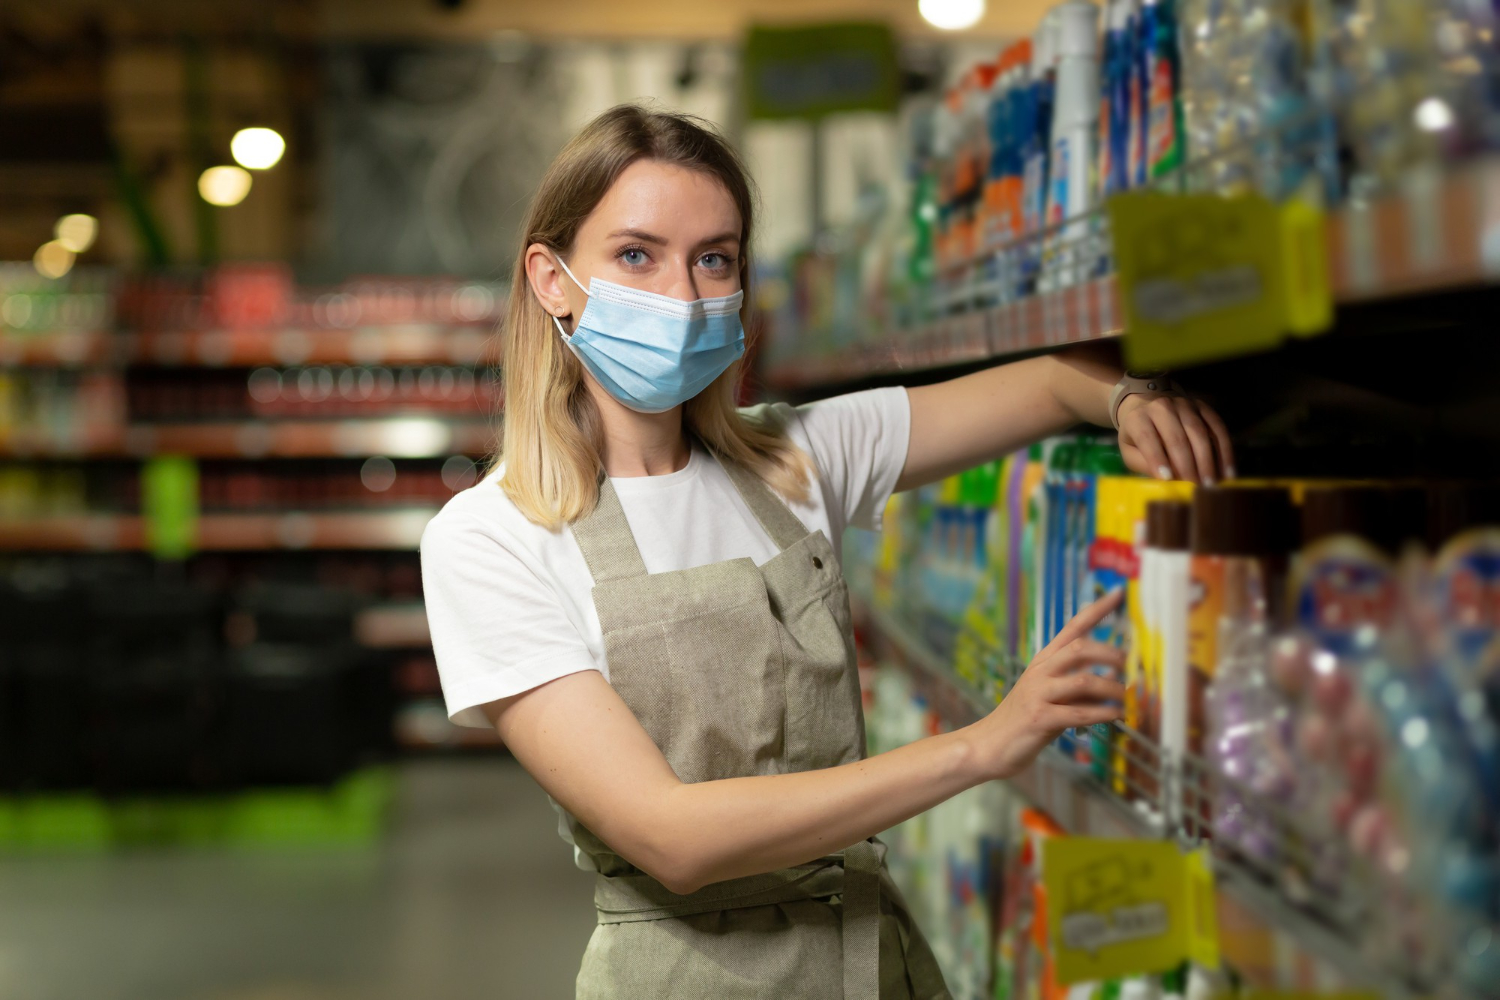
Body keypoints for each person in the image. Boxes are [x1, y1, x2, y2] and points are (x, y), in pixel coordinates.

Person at [420, 105, 1233, 1000]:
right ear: (552, 278)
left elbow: (1044, 383)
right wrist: (983, 745)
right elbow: (671, 838)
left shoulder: (792, 459)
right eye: (637, 256)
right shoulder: (492, 539)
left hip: (867, 964)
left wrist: (1128, 397)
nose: (683, 299)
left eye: (714, 258)